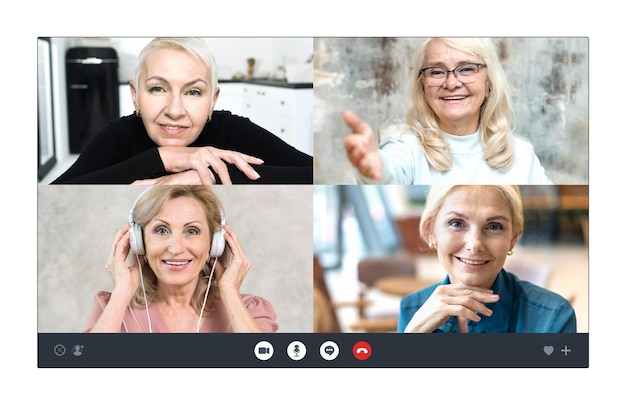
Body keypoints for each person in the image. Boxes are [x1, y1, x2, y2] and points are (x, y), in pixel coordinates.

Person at [53, 38, 313, 185]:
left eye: (193, 92)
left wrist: (200, 177)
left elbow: (313, 174)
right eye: (157, 89)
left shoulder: (233, 131)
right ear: (135, 96)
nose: (175, 111)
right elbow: (54, 195)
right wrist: (160, 159)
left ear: (213, 99)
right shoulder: (117, 136)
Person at [343, 38, 552, 185]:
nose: (451, 83)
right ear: (422, 86)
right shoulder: (406, 148)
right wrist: (376, 171)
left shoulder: (522, 155)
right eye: (436, 71)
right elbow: (389, 172)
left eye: (467, 68)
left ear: (489, 84)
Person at [85, 185, 278, 333]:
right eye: (161, 230)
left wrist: (229, 291)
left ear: (214, 243)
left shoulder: (251, 310)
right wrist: (122, 292)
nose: (176, 248)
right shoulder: (110, 309)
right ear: (138, 242)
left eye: (192, 231)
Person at [397, 185, 576, 333]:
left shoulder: (553, 317)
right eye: (457, 223)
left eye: (494, 226)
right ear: (431, 231)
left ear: (513, 239)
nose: (475, 244)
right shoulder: (411, 309)